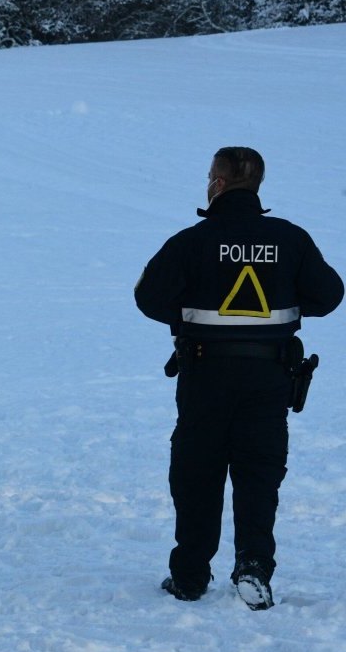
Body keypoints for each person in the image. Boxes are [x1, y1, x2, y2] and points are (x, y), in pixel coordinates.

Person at [135, 147, 342, 609]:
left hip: (205, 372)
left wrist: (188, 316)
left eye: (210, 176)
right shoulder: (289, 239)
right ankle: (253, 567)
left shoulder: (192, 241)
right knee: (259, 472)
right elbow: (330, 296)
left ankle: (189, 575)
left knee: (196, 471)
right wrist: (278, 302)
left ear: (219, 183)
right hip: (269, 376)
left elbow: (148, 297)